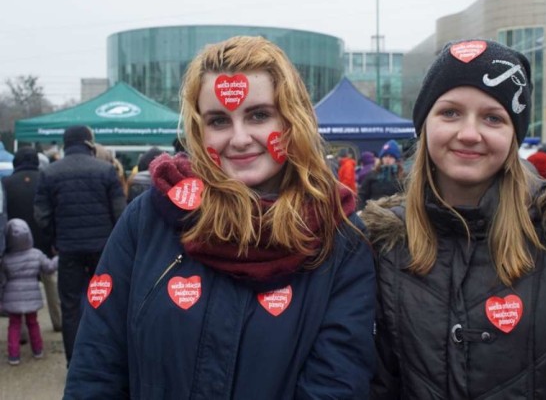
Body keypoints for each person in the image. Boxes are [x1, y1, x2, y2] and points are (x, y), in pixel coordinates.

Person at [64, 36, 376, 398]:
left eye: (259, 115)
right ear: (199, 130)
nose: (240, 139)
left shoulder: (341, 238)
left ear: (292, 119)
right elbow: (96, 366)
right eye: (218, 120)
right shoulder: (148, 219)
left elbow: (336, 385)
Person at [361, 39, 546, 398]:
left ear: (514, 135)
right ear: (424, 124)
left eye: (493, 117)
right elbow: (372, 382)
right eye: (450, 112)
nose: (469, 133)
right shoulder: (384, 241)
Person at [34, 125, 126, 366]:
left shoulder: (50, 173)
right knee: (106, 301)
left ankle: (75, 361)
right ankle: (106, 358)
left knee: (71, 306)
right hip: (103, 250)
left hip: (68, 249)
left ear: (66, 144)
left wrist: (54, 240)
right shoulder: (106, 170)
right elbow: (120, 214)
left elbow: (41, 217)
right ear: (89, 144)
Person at [2, 147, 61, 332]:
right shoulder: (47, 180)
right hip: (44, 243)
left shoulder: (6, 183)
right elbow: (54, 213)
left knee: (18, 290)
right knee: (51, 283)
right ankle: (58, 321)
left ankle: (21, 333)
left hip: (15, 246)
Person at [1, 219, 58, 365]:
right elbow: (49, 268)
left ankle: (14, 355)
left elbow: (3, 279)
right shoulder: (36, 254)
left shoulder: (6, 259)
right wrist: (59, 258)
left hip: (12, 298)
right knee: (33, 323)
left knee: (14, 325)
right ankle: (38, 350)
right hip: (32, 296)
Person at [358, 140, 404, 209]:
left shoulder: (401, 176)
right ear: (381, 158)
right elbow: (362, 195)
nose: (387, 159)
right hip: (374, 212)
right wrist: (361, 209)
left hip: (395, 214)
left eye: (391, 157)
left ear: (396, 159)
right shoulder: (372, 174)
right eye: (385, 156)